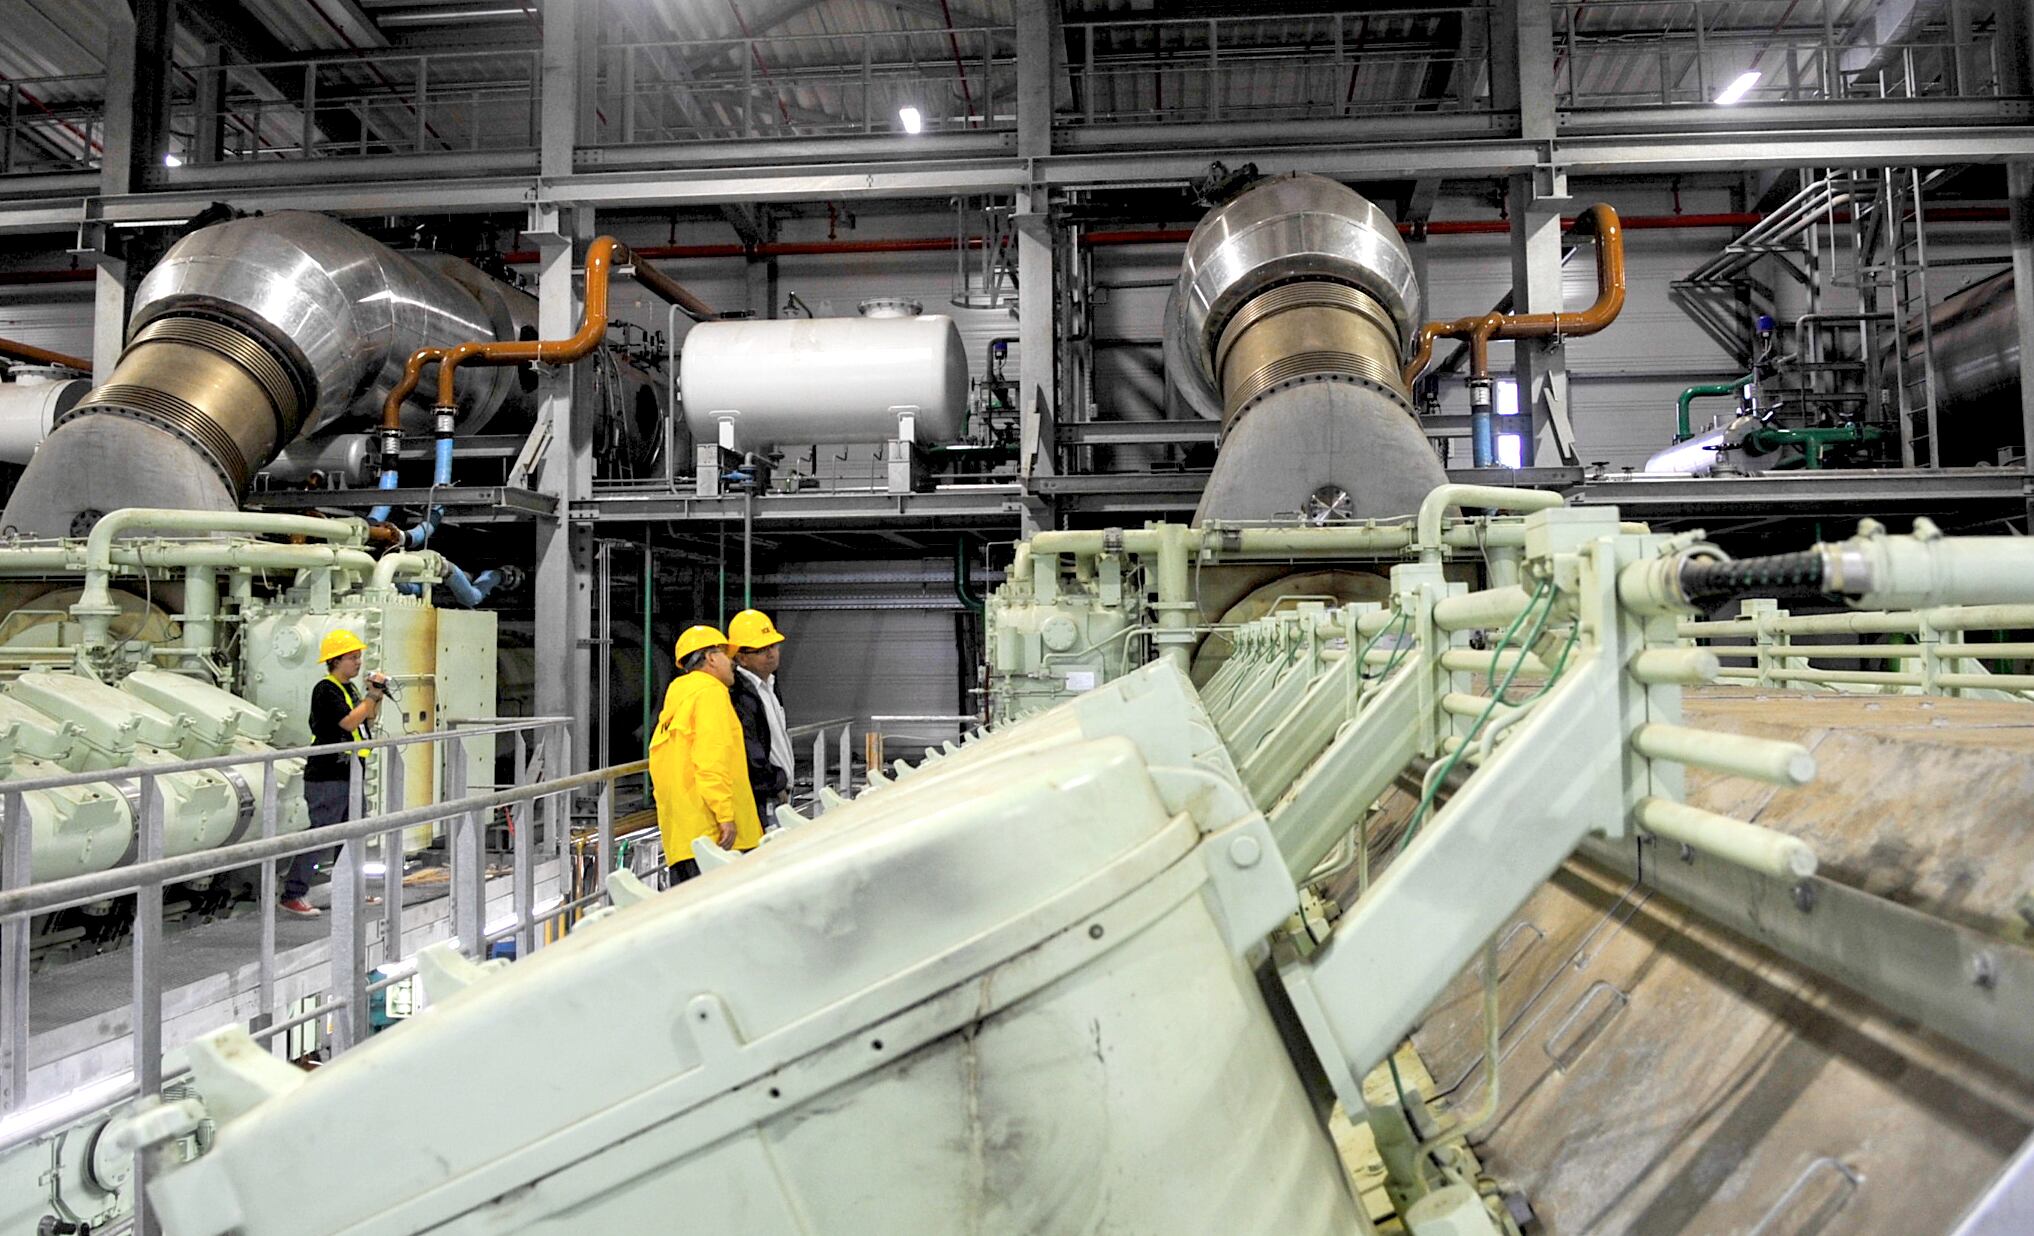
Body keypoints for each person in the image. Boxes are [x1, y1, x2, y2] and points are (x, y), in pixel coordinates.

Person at [285, 628, 388, 918]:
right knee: (323, 832)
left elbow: (367, 718)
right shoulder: (326, 689)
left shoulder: (350, 690)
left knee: (354, 832)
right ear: (336, 661)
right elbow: (347, 722)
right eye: (353, 658)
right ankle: (293, 893)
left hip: (350, 773)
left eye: (358, 657)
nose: (358, 663)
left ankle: (350, 888)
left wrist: (375, 698)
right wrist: (370, 697)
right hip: (328, 775)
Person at [648, 625, 762, 883]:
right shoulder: (710, 694)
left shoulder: (677, 702)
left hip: (682, 839)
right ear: (711, 658)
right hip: (716, 838)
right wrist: (725, 816)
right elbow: (711, 759)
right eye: (725, 655)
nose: (732, 663)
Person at [727, 608, 794, 827]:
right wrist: (775, 784)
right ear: (741, 657)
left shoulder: (769, 686)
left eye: (773, 646)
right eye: (761, 649)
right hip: (765, 797)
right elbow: (750, 751)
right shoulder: (740, 696)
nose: (771, 653)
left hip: (777, 793)